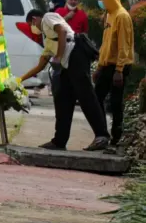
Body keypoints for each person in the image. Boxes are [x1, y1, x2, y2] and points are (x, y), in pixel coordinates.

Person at [19, 9, 109, 151]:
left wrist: (58, 57)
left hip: (76, 54)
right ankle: (59, 141)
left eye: (31, 24)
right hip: (66, 64)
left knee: (86, 96)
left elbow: (62, 31)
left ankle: (101, 135)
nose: (33, 28)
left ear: (34, 19)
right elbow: (41, 65)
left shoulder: (48, 17)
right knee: (62, 99)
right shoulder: (47, 38)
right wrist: (20, 80)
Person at [93, 0, 134, 146]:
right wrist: (99, 67)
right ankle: (102, 134)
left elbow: (124, 45)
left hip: (118, 66)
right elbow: (106, 44)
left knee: (115, 102)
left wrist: (119, 70)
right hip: (107, 65)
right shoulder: (108, 15)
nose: (99, 1)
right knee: (96, 99)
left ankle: (116, 137)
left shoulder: (122, 16)